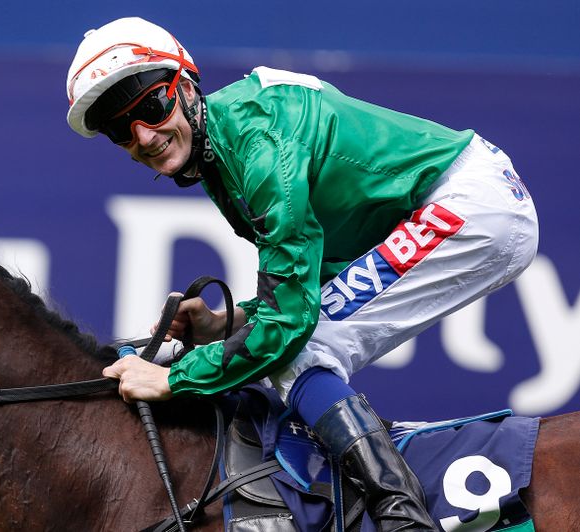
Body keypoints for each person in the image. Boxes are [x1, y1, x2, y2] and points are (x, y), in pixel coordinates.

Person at [66, 17, 538, 532]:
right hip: (461, 200)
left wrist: (173, 378)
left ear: (186, 86)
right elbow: (309, 283)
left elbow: (291, 324)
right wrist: (228, 322)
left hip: (472, 205)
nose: (144, 137)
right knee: (288, 348)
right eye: (119, 130)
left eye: (151, 107)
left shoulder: (257, 143)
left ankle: (403, 517)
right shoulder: (221, 147)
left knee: (303, 353)